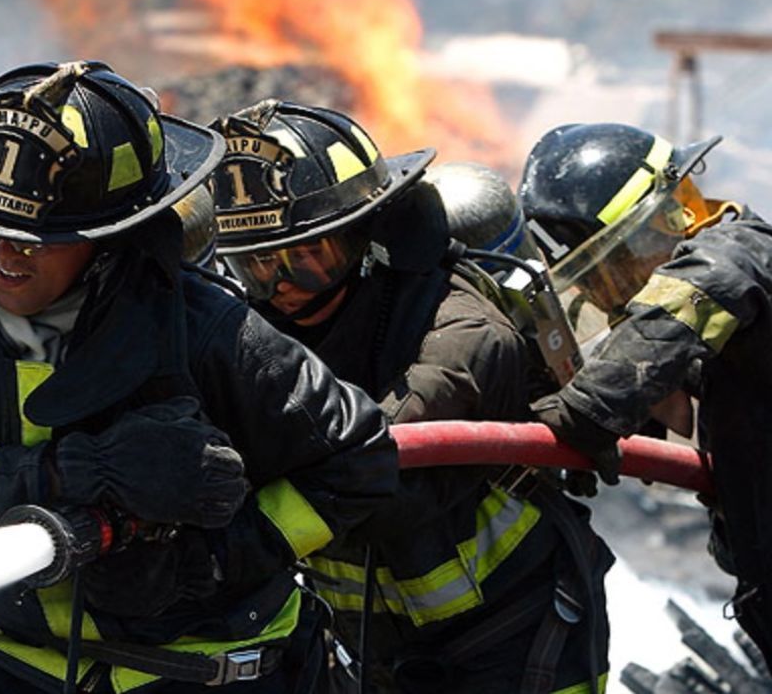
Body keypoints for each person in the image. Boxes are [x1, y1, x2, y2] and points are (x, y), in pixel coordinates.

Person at [0, 61, 399, 694]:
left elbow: (357, 464)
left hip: (191, 663)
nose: (1, 254)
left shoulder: (210, 330)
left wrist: (204, 565)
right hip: (0, 645)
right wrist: (66, 477)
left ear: (113, 239)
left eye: (38, 239)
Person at [209, 99, 612, 693]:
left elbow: (376, 481)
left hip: (519, 631)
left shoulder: (460, 334)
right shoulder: (254, 332)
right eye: (258, 264)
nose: (282, 286)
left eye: (308, 256)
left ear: (364, 235)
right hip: (369, 641)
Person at [519, 121, 772, 666]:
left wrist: (578, 417)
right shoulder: (725, 331)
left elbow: (661, 331)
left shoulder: (738, 254)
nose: (602, 296)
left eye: (608, 271)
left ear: (661, 222)